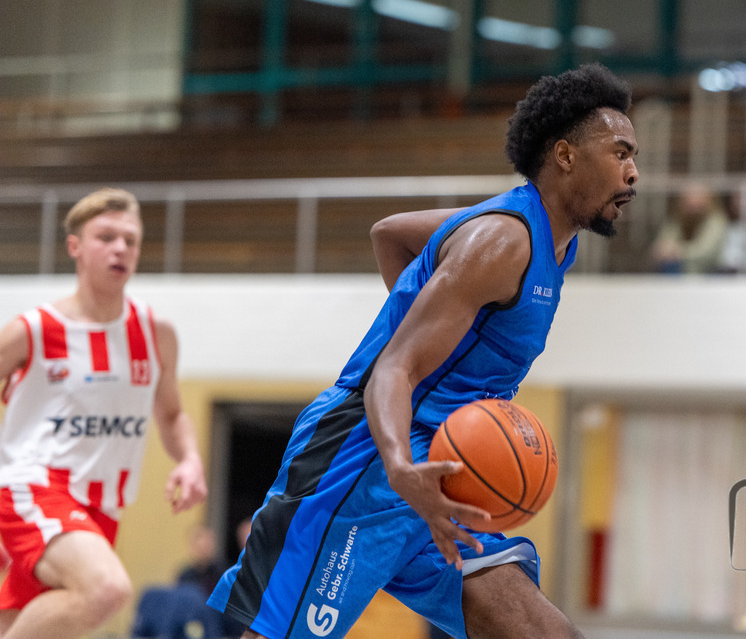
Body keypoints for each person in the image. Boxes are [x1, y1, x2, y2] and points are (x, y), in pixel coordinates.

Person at [208, 62, 638, 639]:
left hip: (444, 469)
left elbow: (391, 232)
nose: (633, 172)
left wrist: (427, 320)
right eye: (620, 153)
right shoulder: (502, 240)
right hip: (368, 459)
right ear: (565, 155)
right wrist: (401, 465)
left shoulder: (544, 241)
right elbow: (395, 367)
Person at [0, 187, 208, 639]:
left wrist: (190, 459)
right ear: (75, 246)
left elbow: (173, 413)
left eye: (130, 240)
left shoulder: (155, 332)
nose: (120, 249)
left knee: (23, 622)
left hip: (103, 505)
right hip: (34, 487)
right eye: (107, 237)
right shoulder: (32, 330)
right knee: (107, 590)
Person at [648, 182, 728, 274]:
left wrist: (678, 251)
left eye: (698, 198)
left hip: (710, 273)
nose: (693, 203)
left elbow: (705, 252)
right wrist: (664, 249)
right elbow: (662, 244)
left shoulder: (716, 221)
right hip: (681, 271)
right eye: (689, 199)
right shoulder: (678, 219)